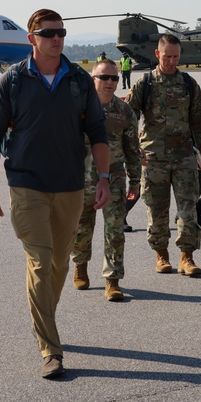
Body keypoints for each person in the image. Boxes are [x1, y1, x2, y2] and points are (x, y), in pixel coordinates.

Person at [0, 9, 110, 379]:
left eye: (61, 32)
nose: (56, 38)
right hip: (26, 184)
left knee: (59, 264)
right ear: (32, 38)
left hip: (70, 185)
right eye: (48, 33)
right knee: (40, 261)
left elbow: (98, 133)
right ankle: (50, 350)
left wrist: (103, 177)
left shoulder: (79, 81)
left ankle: (44, 319)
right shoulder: (13, 81)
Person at [127, 34, 201, 276]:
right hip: (153, 158)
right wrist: (134, 148)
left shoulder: (188, 84)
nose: (172, 61)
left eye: (176, 56)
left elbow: (198, 119)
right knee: (156, 209)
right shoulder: (145, 84)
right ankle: (161, 254)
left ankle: (187, 256)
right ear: (157, 55)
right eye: (167, 57)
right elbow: (129, 118)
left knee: (188, 208)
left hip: (184, 156)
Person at [70, 59, 141, 302]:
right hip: (80, 180)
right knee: (81, 228)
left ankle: (112, 280)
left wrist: (136, 181)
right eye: (104, 77)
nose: (110, 82)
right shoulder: (76, 108)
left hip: (113, 180)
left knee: (115, 231)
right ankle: (80, 265)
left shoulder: (124, 111)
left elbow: (132, 149)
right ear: (93, 80)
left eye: (114, 78)